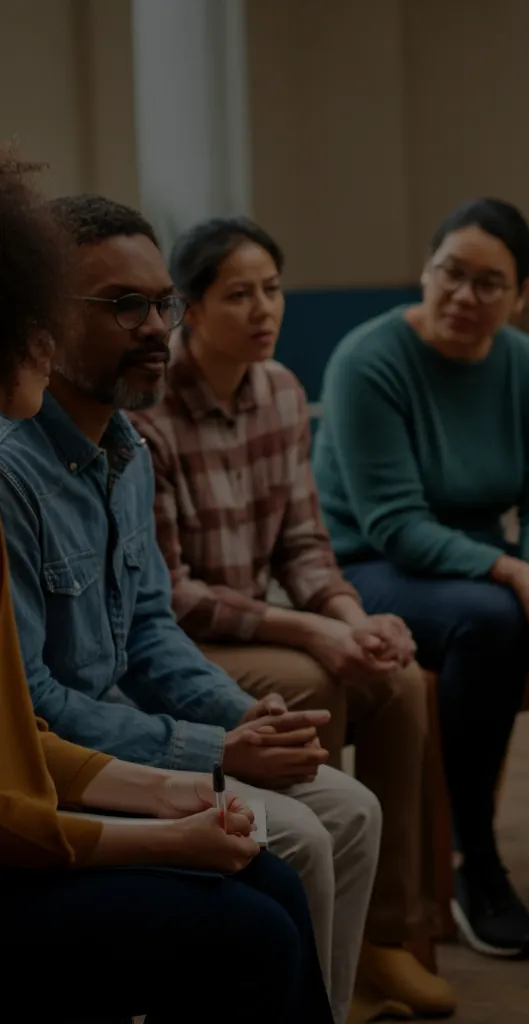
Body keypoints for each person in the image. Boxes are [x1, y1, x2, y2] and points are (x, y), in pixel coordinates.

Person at [0, 193, 379, 1024]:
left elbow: (148, 628)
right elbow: (31, 713)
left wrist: (244, 715)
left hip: (119, 740)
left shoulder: (126, 449)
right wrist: (216, 751)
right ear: (39, 323)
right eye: (123, 305)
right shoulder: (12, 471)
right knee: (297, 840)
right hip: (69, 763)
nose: (154, 326)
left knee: (351, 810)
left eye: (161, 301)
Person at [130, 215, 453, 1018]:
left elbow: (304, 544)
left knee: (399, 678)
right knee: (314, 683)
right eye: (238, 294)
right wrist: (315, 632)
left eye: (272, 289)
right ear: (191, 312)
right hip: (190, 638)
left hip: (266, 620)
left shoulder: (279, 390)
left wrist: (350, 615)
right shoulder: (149, 413)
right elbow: (169, 592)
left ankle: (385, 937)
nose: (263, 309)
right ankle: (313, 946)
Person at [312, 198, 529, 960]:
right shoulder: (369, 361)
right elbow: (393, 522)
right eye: (450, 274)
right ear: (425, 272)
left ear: (521, 296)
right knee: (487, 621)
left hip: (482, 561)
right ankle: (470, 860)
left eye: (489, 283)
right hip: (369, 565)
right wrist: (511, 570)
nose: (464, 296)